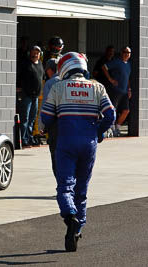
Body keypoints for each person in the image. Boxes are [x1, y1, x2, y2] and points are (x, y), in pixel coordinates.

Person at [41, 52, 116, 252]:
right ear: (83, 67)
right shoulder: (97, 87)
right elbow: (111, 115)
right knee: (81, 190)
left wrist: (56, 120)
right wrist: (97, 131)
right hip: (89, 143)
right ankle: (78, 228)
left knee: (65, 187)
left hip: (65, 142)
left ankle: (70, 216)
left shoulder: (58, 87)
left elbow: (46, 117)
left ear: (64, 69)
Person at [17, 45, 45, 148]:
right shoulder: (25, 64)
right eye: (33, 53)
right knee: (25, 118)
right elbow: (19, 76)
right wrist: (19, 87)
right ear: (29, 53)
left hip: (36, 96)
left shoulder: (40, 64)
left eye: (37, 53)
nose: (35, 55)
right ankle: (24, 140)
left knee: (32, 119)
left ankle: (29, 138)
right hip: (26, 95)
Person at [101, 46, 132, 136]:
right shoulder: (117, 62)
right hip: (116, 90)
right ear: (121, 53)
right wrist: (110, 79)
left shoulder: (129, 64)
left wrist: (129, 89)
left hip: (125, 91)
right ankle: (111, 128)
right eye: (125, 52)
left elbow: (128, 78)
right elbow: (104, 67)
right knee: (113, 109)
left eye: (128, 53)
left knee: (126, 110)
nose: (127, 54)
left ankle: (117, 127)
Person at [39, 58, 60, 177]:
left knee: (55, 156)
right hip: (69, 124)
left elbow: (46, 106)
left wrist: (42, 125)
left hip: (54, 126)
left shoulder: (50, 83)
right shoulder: (67, 80)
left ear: (50, 70)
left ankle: (61, 186)